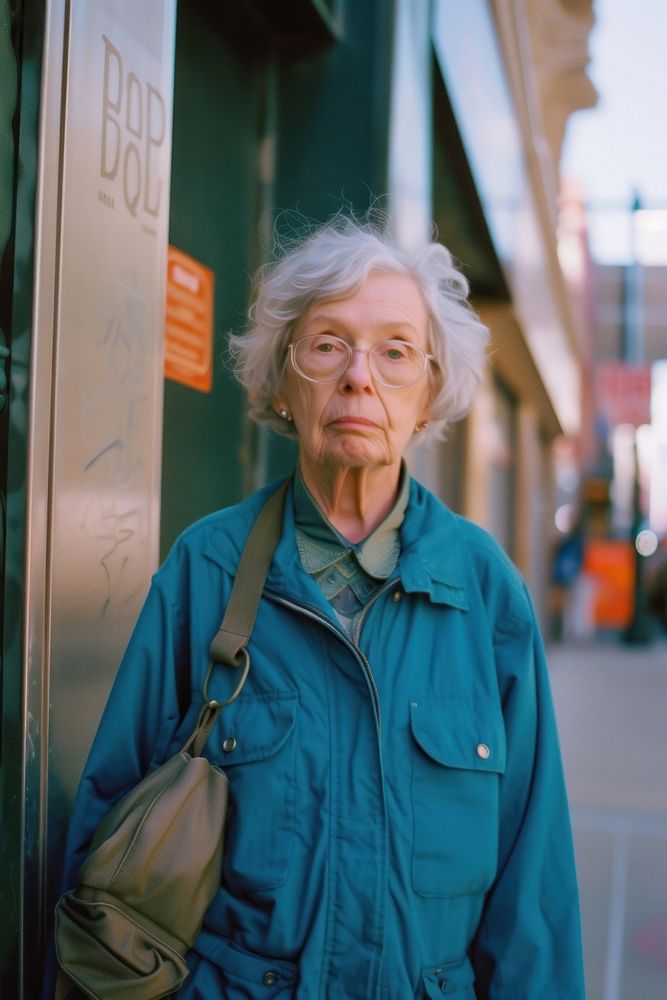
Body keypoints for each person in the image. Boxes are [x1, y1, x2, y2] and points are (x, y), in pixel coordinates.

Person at [55, 216, 585, 998]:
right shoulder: (206, 568)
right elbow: (102, 838)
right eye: (328, 344)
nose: (359, 377)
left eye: (395, 352)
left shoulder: (486, 591)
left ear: (428, 391)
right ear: (280, 378)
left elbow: (532, 893)